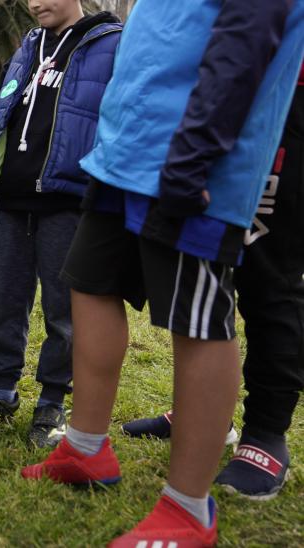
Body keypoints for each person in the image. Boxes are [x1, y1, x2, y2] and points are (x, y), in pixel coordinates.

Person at [21, 1, 304, 546]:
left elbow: (249, 35)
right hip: (129, 145)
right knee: (90, 282)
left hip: (195, 153)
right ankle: (86, 447)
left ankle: (187, 507)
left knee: (196, 320)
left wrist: (196, 149)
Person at [122, 73, 304, 501]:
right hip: (213, 96)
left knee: (269, 271)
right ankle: (206, 415)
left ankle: (265, 432)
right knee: (201, 273)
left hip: (285, 93)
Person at [0, 0, 122, 447]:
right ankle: (2, 391)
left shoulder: (109, 44)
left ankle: (51, 402)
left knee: (63, 311)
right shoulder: (29, 45)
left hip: (66, 200)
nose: (34, 3)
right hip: (14, 198)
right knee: (6, 299)